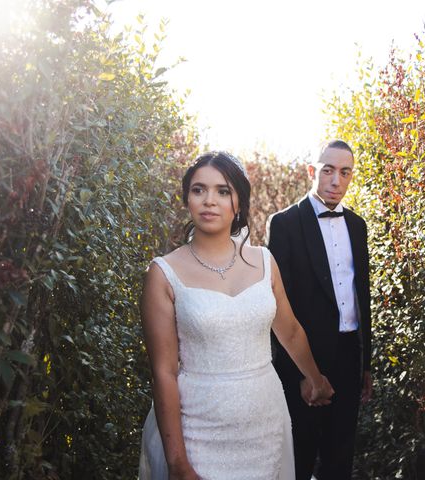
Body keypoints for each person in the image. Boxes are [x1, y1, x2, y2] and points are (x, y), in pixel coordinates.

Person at [138, 151, 334, 480]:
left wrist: (316, 380)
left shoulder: (264, 262)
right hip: (198, 430)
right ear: (187, 198)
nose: (209, 200)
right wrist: (177, 463)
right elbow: (164, 373)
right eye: (199, 190)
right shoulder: (164, 273)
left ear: (238, 202)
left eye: (222, 191)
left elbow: (290, 332)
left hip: (264, 427)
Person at [266, 140, 372, 480]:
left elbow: (361, 296)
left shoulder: (357, 226)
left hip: (348, 357)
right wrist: (299, 375)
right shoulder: (285, 224)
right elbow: (278, 308)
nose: (336, 181)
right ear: (313, 171)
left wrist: (365, 363)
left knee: (340, 460)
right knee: (298, 458)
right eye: (328, 171)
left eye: (345, 173)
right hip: (305, 359)